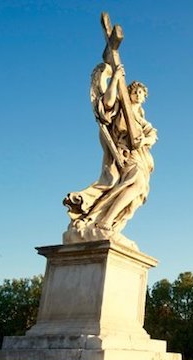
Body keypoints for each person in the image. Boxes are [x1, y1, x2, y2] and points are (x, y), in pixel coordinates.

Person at [63, 60, 159, 247]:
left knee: (134, 192)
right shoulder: (122, 107)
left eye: (141, 93)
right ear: (129, 93)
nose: (138, 95)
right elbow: (106, 103)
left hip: (141, 156)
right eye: (135, 91)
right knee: (136, 184)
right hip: (124, 154)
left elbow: (153, 134)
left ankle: (105, 222)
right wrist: (115, 78)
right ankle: (105, 223)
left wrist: (144, 140)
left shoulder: (141, 117)